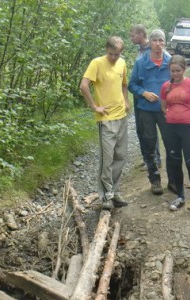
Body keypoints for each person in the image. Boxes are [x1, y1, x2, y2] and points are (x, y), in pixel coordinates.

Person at [80, 36, 131, 210]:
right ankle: (105, 195)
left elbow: (124, 84)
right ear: (106, 50)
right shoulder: (97, 63)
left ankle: (115, 192)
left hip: (121, 117)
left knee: (121, 156)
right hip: (106, 119)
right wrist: (95, 106)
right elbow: (84, 85)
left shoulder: (122, 63)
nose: (114, 57)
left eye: (117, 54)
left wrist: (126, 100)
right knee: (107, 159)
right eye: (111, 54)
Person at [128, 29, 174, 195]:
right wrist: (144, 93)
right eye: (155, 40)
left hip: (165, 111)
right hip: (146, 110)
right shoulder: (141, 62)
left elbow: (178, 83)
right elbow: (131, 85)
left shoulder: (170, 61)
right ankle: (155, 180)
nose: (158, 44)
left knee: (171, 144)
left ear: (164, 42)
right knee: (149, 144)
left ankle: (173, 180)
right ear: (150, 42)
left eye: (161, 40)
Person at [160, 55, 190, 217]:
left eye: (178, 70)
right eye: (172, 71)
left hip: (187, 129)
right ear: (169, 71)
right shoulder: (166, 86)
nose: (175, 74)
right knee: (175, 162)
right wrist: (173, 117)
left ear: (184, 69)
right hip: (171, 129)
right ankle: (180, 196)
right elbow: (164, 107)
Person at [129, 24, 163, 170]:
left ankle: (155, 159)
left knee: (150, 132)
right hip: (140, 97)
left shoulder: (153, 51)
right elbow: (133, 82)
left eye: (133, 35)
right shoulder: (140, 51)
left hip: (151, 101)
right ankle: (148, 158)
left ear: (142, 34)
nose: (131, 37)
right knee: (141, 130)